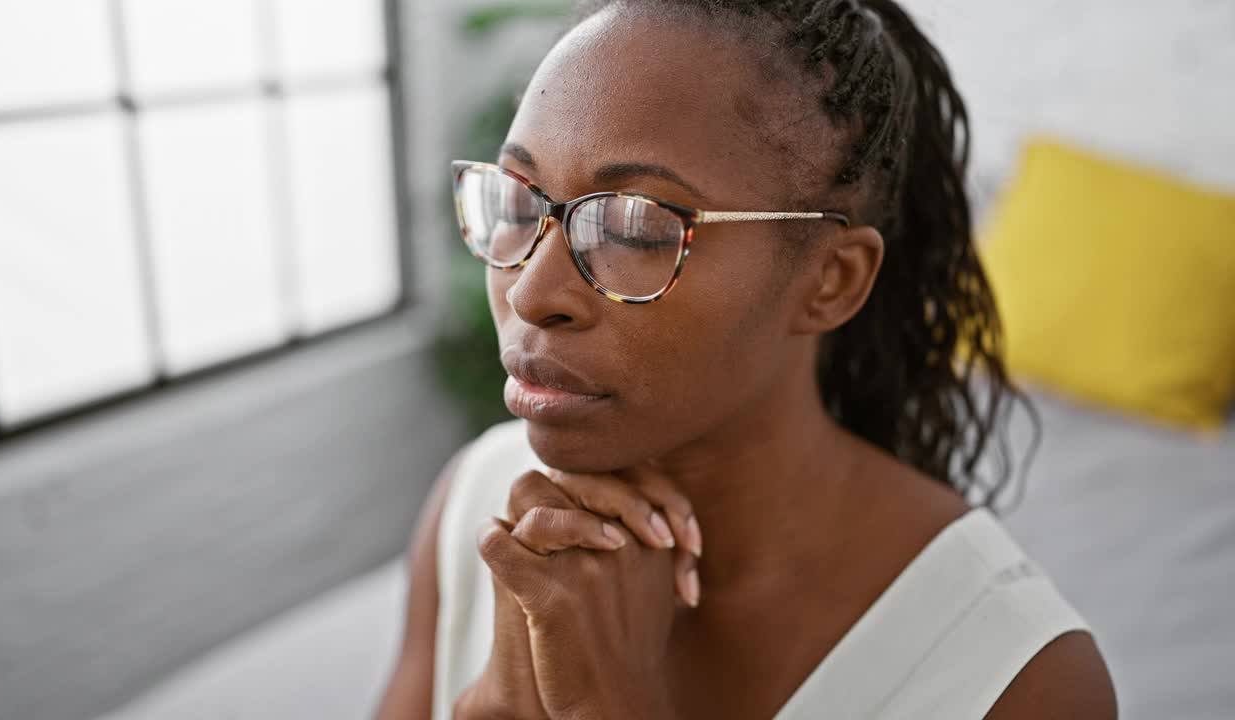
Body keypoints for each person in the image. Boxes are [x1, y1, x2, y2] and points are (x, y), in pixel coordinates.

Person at [377, 0, 1117, 717]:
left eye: (636, 226)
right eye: (518, 201)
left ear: (831, 281)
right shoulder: (476, 504)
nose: (532, 292)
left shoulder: (1019, 680)